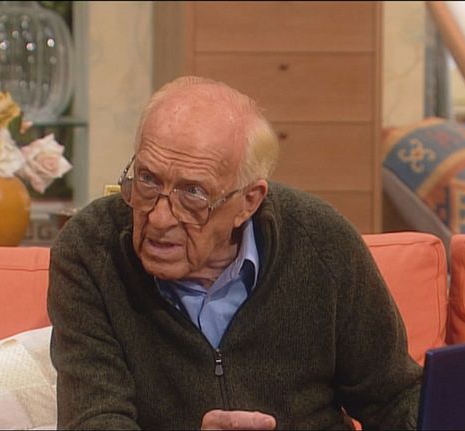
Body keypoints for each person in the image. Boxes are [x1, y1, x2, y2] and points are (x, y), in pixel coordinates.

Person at [48, 76, 422, 430]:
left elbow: (393, 398)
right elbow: (95, 420)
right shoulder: (91, 249)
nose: (159, 218)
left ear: (248, 202)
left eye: (193, 193)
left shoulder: (322, 241)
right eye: (147, 179)